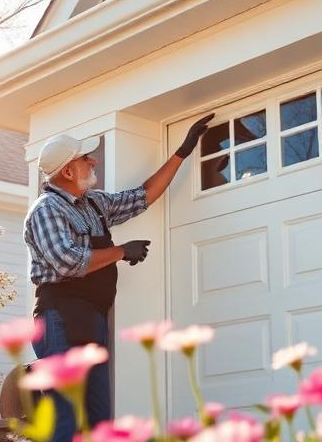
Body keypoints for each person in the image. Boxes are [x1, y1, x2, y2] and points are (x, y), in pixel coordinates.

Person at [23, 114, 214, 441]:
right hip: (59, 320)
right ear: (68, 171)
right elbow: (68, 261)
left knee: (100, 420)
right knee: (64, 420)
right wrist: (121, 251)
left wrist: (182, 150)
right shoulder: (46, 210)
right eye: (85, 158)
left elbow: (144, 195)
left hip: (91, 319)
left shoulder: (94, 204)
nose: (93, 159)